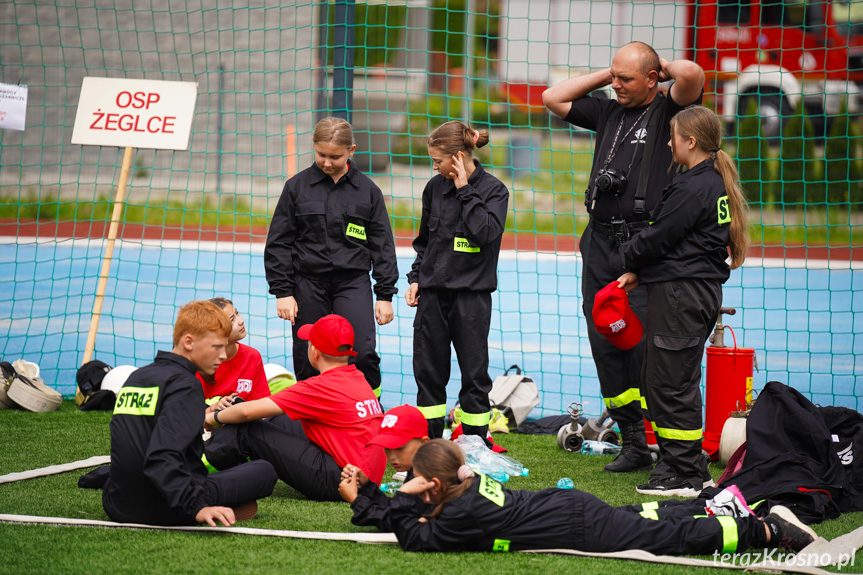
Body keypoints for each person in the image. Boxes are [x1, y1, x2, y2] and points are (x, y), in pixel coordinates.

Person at [542, 41, 705, 474]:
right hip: (598, 243)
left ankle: (670, 450)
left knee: (652, 346)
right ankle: (632, 441)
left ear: (653, 79)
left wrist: (660, 67)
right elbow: (551, 98)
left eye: (627, 79)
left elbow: (692, 76)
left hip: (645, 245)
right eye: (614, 78)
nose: (616, 85)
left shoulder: (670, 108)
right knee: (606, 334)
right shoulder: (608, 109)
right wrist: (610, 75)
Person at [617, 105, 750, 497]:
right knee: (667, 380)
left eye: (673, 136)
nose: (669, 142)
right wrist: (643, 271)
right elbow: (682, 243)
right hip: (687, 289)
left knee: (672, 384)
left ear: (690, 142)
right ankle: (680, 465)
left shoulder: (694, 187)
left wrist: (627, 255)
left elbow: (659, 237)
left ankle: (687, 473)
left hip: (682, 294)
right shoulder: (708, 181)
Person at [388, 440, 816, 555]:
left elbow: (418, 538)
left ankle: (764, 530)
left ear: (436, 485)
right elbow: (428, 520)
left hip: (579, 524)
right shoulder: (468, 487)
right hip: (569, 508)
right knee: (648, 519)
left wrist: (403, 500)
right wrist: (374, 499)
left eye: (419, 479)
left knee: (666, 539)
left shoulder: (462, 511)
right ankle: (715, 502)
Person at [101, 300, 277, 527]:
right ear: (188, 342)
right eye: (216, 347)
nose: (223, 356)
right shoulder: (185, 385)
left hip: (117, 503)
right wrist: (197, 507)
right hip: (168, 504)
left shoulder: (136, 378)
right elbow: (161, 456)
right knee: (264, 471)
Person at [264, 117, 398, 399]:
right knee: (308, 353)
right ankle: (313, 418)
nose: (327, 162)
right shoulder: (296, 187)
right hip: (307, 284)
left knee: (361, 351)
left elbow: (382, 245)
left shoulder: (368, 191)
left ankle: (367, 409)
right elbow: (279, 243)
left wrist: (384, 295)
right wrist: (283, 292)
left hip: (353, 283)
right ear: (314, 148)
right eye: (321, 154)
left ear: (351, 150)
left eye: (335, 156)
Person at [203, 314, 386, 502]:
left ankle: (198, 470)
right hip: (367, 479)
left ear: (314, 351)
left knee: (247, 428)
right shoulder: (357, 376)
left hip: (341, 482)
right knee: (272, 420)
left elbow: (245, 412)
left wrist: (211, 418)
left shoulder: (319, 386)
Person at [406, 120, 510, 443]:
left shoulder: (495, 190)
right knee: (429, 374)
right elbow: (424, 243)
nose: (434, 167)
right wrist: (415, 278)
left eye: (438, 161)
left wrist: (465, 190)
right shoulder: (433, 189)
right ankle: (429, 445)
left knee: (474, 376)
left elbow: (486, 232)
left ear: (459, 157)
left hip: (471, 300)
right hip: (433, 299)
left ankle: (476, 443)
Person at [338, 404, 433, 531]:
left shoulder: (428, 476)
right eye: (387, 448)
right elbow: (396, 508)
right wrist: (366, 486)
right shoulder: (421, 467)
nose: (392, 456)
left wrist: (356, 500)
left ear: (423, 443)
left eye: (399, 448)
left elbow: (395, 522)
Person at [197, 297, 270, 404]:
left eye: (237, 313)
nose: (241, 321)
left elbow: (262, 406)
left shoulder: (252, 356)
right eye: (232, 319)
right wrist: (213, 409)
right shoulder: (198, 364)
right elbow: (187, 414)